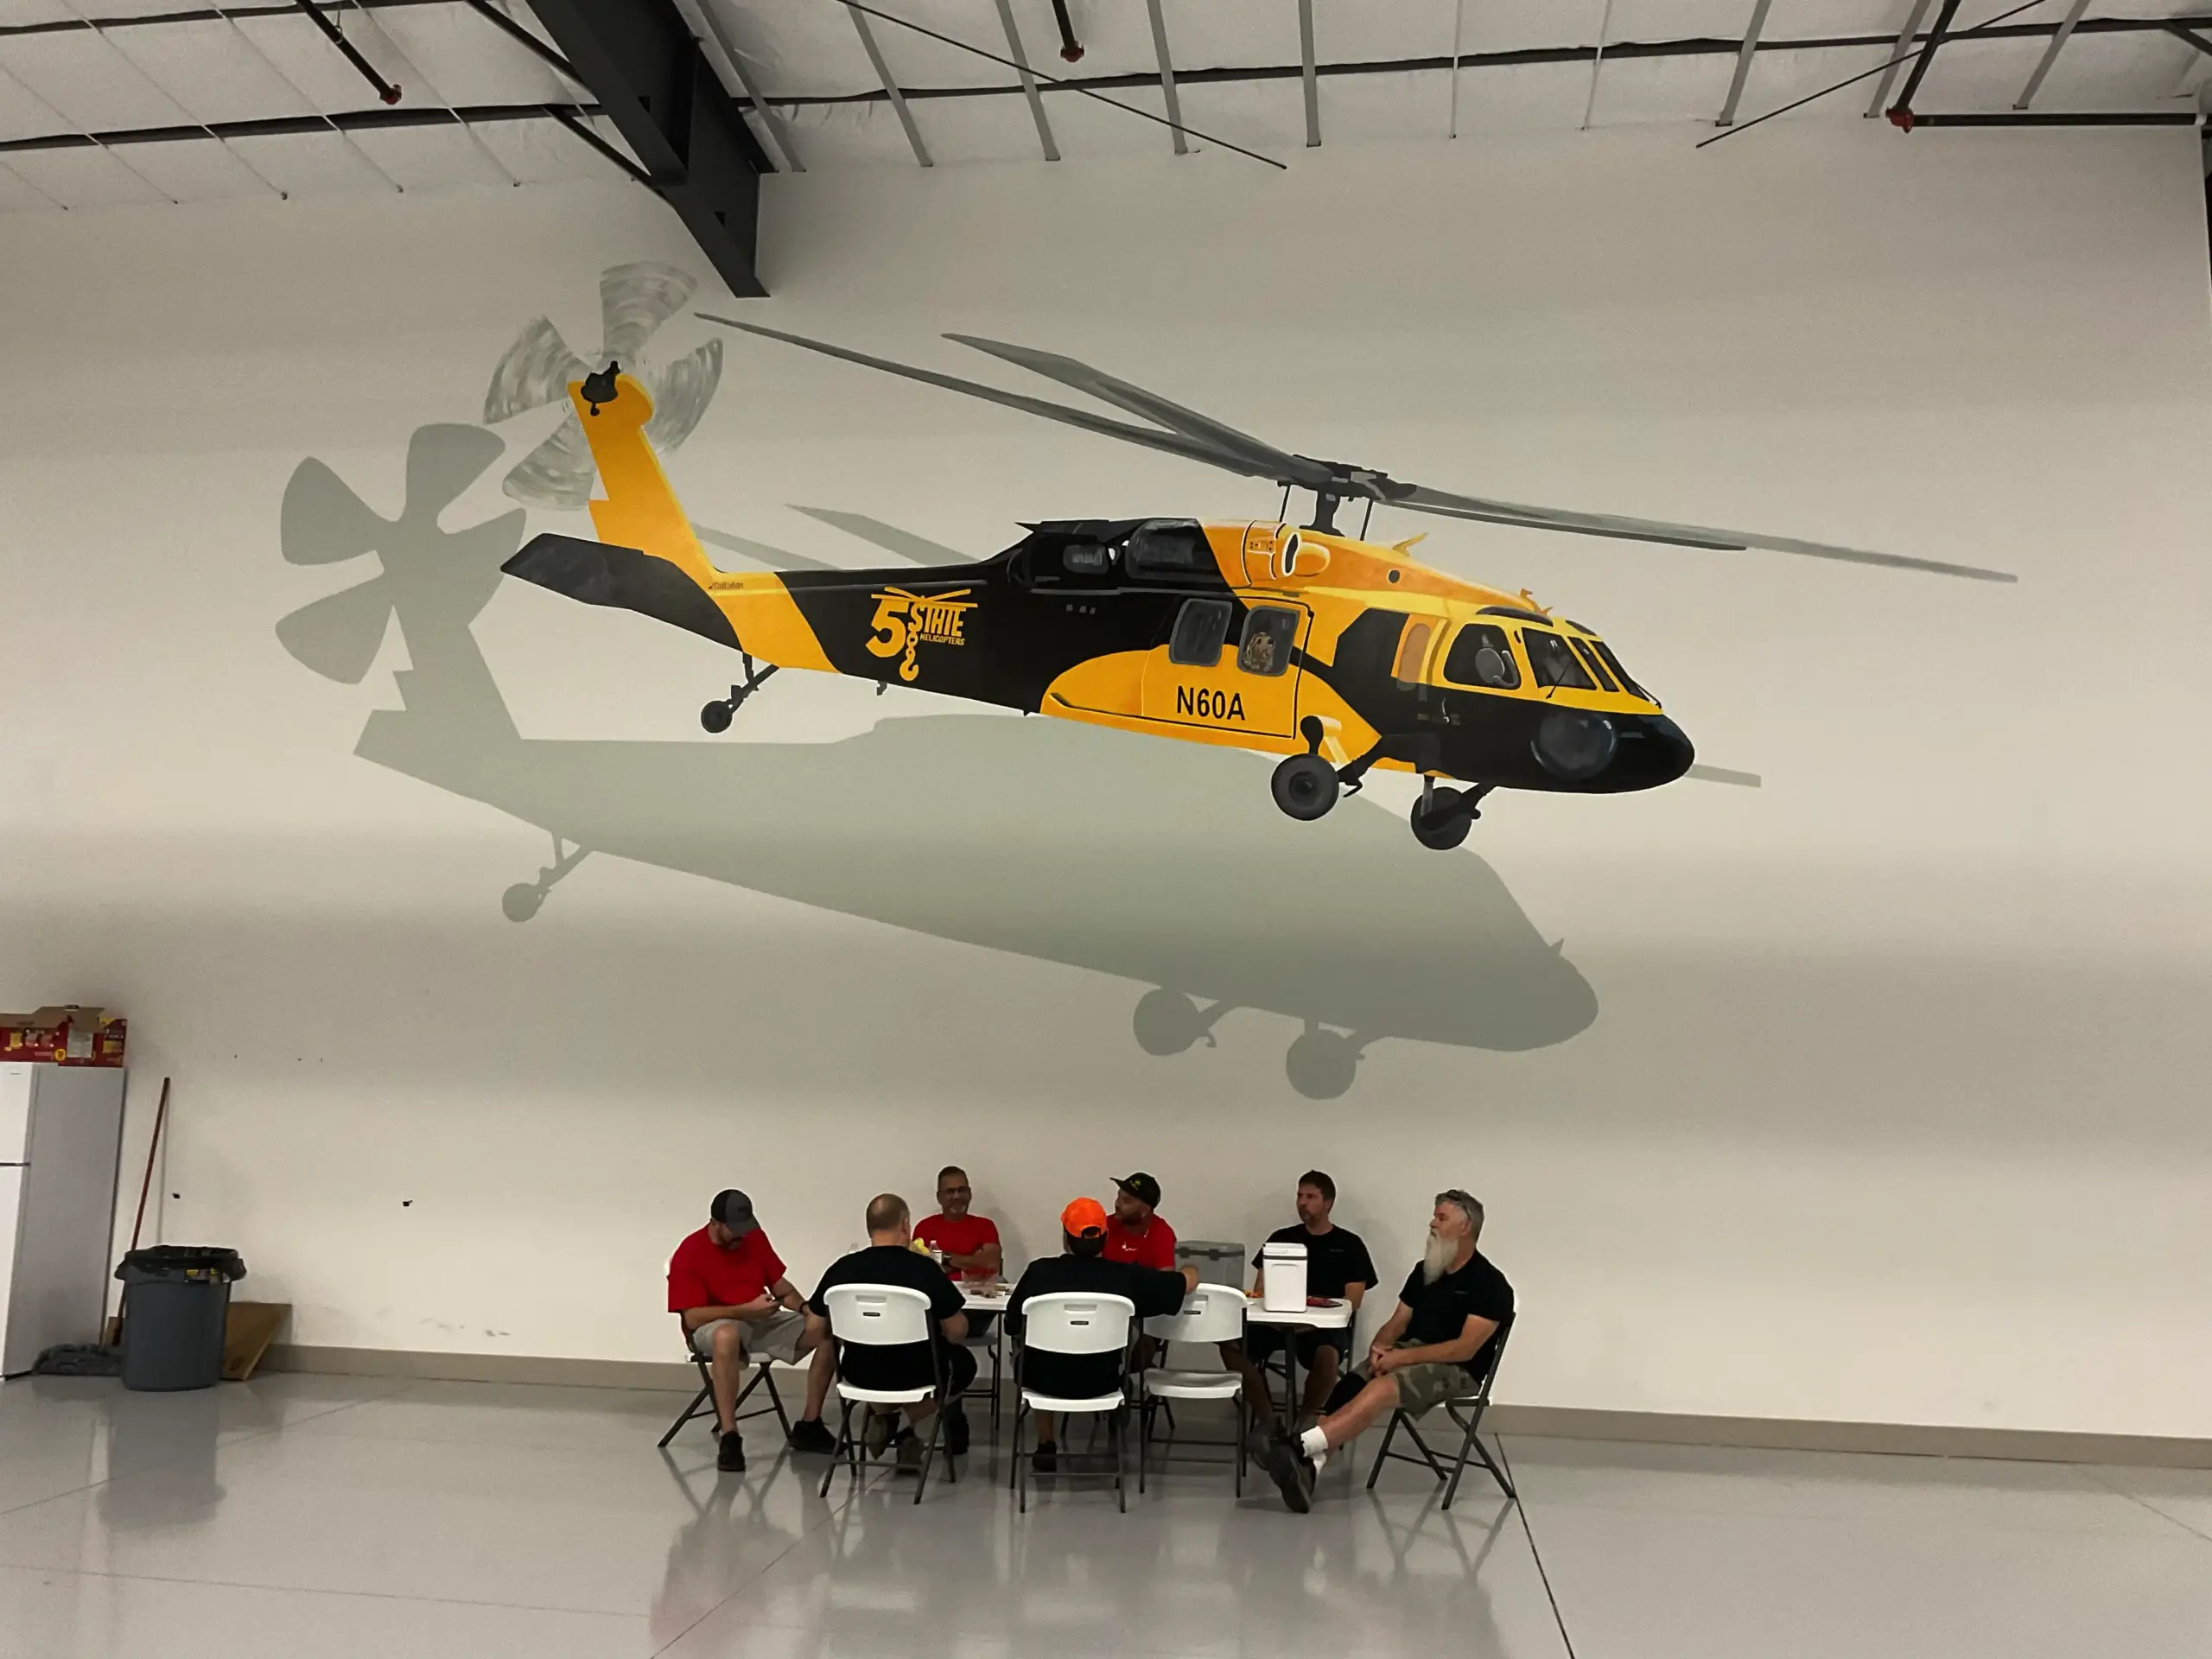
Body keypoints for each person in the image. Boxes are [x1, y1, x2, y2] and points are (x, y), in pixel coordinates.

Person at [1263, 1189, 1512, 1513]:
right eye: (1434, 1216)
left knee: (1381, 1388)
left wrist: (1401, 1358)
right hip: (1408, 1354)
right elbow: (1397, 1322)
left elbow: (1464, 1349)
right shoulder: (1426, 1270)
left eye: (1441, 1218)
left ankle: (1298, 1447)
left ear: (1465, 1227)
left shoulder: (1489, 1283)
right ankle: (1312, 1468)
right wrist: (1380, 1348)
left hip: (1457, 1370)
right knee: (1350, 1385)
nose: (1432, 1223)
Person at [1007, 1197, 1196, 1474]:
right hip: (1104, 1382)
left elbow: (1012, 1324)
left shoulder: (1039, 1273)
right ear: (1105, 1238)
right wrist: (1192, 1270)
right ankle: (1114, 1443)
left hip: (1041, 1381)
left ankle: (1046, 1442)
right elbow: (1182, 1284)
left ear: (1065, 1238)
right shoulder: (1124, 1277)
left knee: (1033, 1353)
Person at [804, 1193, 976, 1467]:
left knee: (884, 1374)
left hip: (859, 1372)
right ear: (906, 1225)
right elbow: (956, 1330)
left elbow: (814, 1327)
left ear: (869, 1227)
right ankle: (904, 1426)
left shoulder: (843, 1268)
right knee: (964, 1365)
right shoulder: (924, 1269)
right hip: (916, 1372)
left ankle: (890, 1423)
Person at [667, 1188, 832, 1471]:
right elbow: (693, 1317)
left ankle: (809, 1424)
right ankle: (730, 1436)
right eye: (735, 1230)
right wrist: (744, 1311)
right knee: (727, 1335)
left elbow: (780, 1286)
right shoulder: (689, 1252)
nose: (741, 1236)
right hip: (715, 1325)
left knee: (829, 1328)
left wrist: (806, 1308)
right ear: (715, 1223)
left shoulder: (753, 1237)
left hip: (759, 1321)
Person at [1222, 1170, 1378, 1434]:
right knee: (1230, 1343)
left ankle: (1305, 1423)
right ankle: (1269, 1421)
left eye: (1310, 1196)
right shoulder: (1281, 1238)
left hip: (1321, 1328)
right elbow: (1260, 1291)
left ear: (1328, 1202)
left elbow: (1353, 1303)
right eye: (1299, 1196)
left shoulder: (1349, 1245)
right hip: (1276, 1324)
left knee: (1328, 1355)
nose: (1302, 1202)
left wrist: (1312, 1322)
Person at [1103, 1173, 1177, 1269]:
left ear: (1145, 1210)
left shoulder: (1162, 1234)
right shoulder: (1105, 1226)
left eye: (1126, 1201)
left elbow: (1167, 1280)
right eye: (1118, 1197)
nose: (1117, 1204)